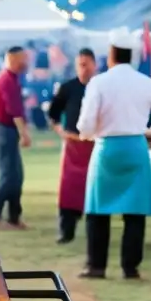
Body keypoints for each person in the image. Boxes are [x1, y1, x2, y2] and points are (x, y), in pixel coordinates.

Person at [76, 29, 151, 279]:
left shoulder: (99, 82)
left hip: (107, 148)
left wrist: (88, 134)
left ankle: (96, 267)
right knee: (135, 211)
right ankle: (130, 268)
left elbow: (86, 123)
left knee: (98, 210)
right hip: (136, 147)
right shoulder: (145, 81)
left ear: (111, 55)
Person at [48, 48, 97, 244]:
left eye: (86, 64)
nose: (83, 69)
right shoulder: (67, 88)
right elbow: (53, 114)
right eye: (80, 65)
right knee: (68, 190)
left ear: (94, 65)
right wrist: (62, 132)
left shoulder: (100, 87)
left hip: (95, 145)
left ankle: (95, 234)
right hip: (73, 145)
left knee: (93, 190)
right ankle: (66, 232)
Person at [0, 46, 31, 229]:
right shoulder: (6, 80)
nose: (26, 63)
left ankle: (13, 216)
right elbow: (14, 111)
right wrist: (24, 133)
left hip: (5, 128)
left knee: (16, 175)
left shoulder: (11, 78)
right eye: (23, 59)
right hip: (3, 128)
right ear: (13, 59)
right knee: (9, 174)